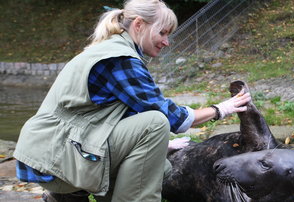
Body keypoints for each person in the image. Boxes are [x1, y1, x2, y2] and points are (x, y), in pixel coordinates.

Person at [13, 0, 251, 201]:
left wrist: (160, 146)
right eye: (163, 32)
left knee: (162, 163)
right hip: (58, 160)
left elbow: (112, 116)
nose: (166, 42)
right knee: (155, 124)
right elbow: (170, 118)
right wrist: (221, 109)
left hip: (50, 153)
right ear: (139, 25)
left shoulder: (107, 49)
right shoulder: (120, 59)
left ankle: (63, 198)